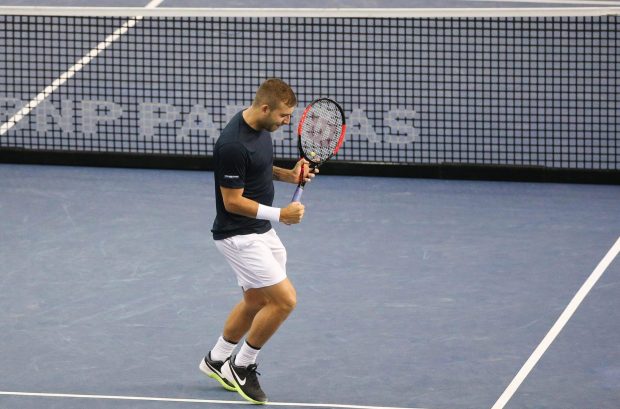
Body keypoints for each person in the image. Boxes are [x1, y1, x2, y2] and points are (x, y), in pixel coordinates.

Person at [199, 78, 316, 404]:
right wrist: (282, 214)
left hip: (260, 230)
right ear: (265, 108)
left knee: (256, 302)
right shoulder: (232, 145)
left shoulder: (260, 128)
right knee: (284, 301)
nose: (286, 123)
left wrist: (289, 175)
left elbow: (259, 168)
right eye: (283, 116)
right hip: (238, 235)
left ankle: (216, 359)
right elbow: (232, 201)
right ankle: (242, 365)